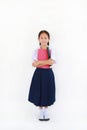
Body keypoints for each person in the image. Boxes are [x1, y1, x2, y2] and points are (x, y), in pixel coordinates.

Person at [28, 30, 56, 121]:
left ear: (48, 39)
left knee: (47, 91)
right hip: (39, 74)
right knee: (39, 91)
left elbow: (52, 61)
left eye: (45, 38)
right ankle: (40, 111)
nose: (43, 40)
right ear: (38, 39)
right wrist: (45, 62)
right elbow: (34, 64)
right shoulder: (36, 51)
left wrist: (40, 62)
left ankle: (46, 111)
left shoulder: (51, 51)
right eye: (42, 38)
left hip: (48, 74)